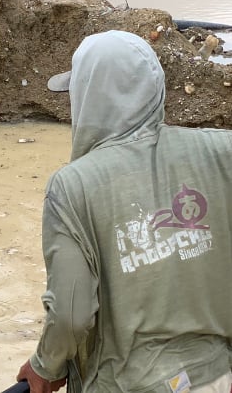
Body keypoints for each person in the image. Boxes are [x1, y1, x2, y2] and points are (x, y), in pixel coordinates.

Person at [15, 30, 232, 393]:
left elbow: (71, 314)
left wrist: (46, 366)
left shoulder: (71, 187)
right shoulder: (221, 151)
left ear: (87, 97)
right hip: (219, 376)